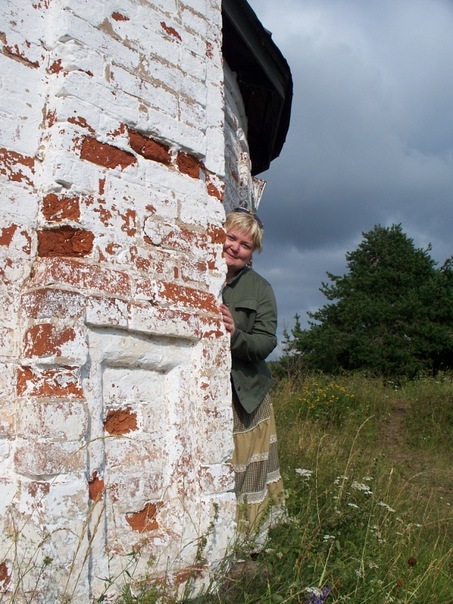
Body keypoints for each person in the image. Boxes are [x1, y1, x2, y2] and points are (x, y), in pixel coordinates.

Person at [220, 208, 285, 552]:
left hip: (247, 395)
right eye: (231, 237)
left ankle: (251, 544)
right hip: (209, 393)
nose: (235, 247)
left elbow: (266, 342)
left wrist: (235, 335)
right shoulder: (198, 274)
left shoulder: (260, 288)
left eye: (245, 245)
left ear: (252, 253)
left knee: (247, 470)